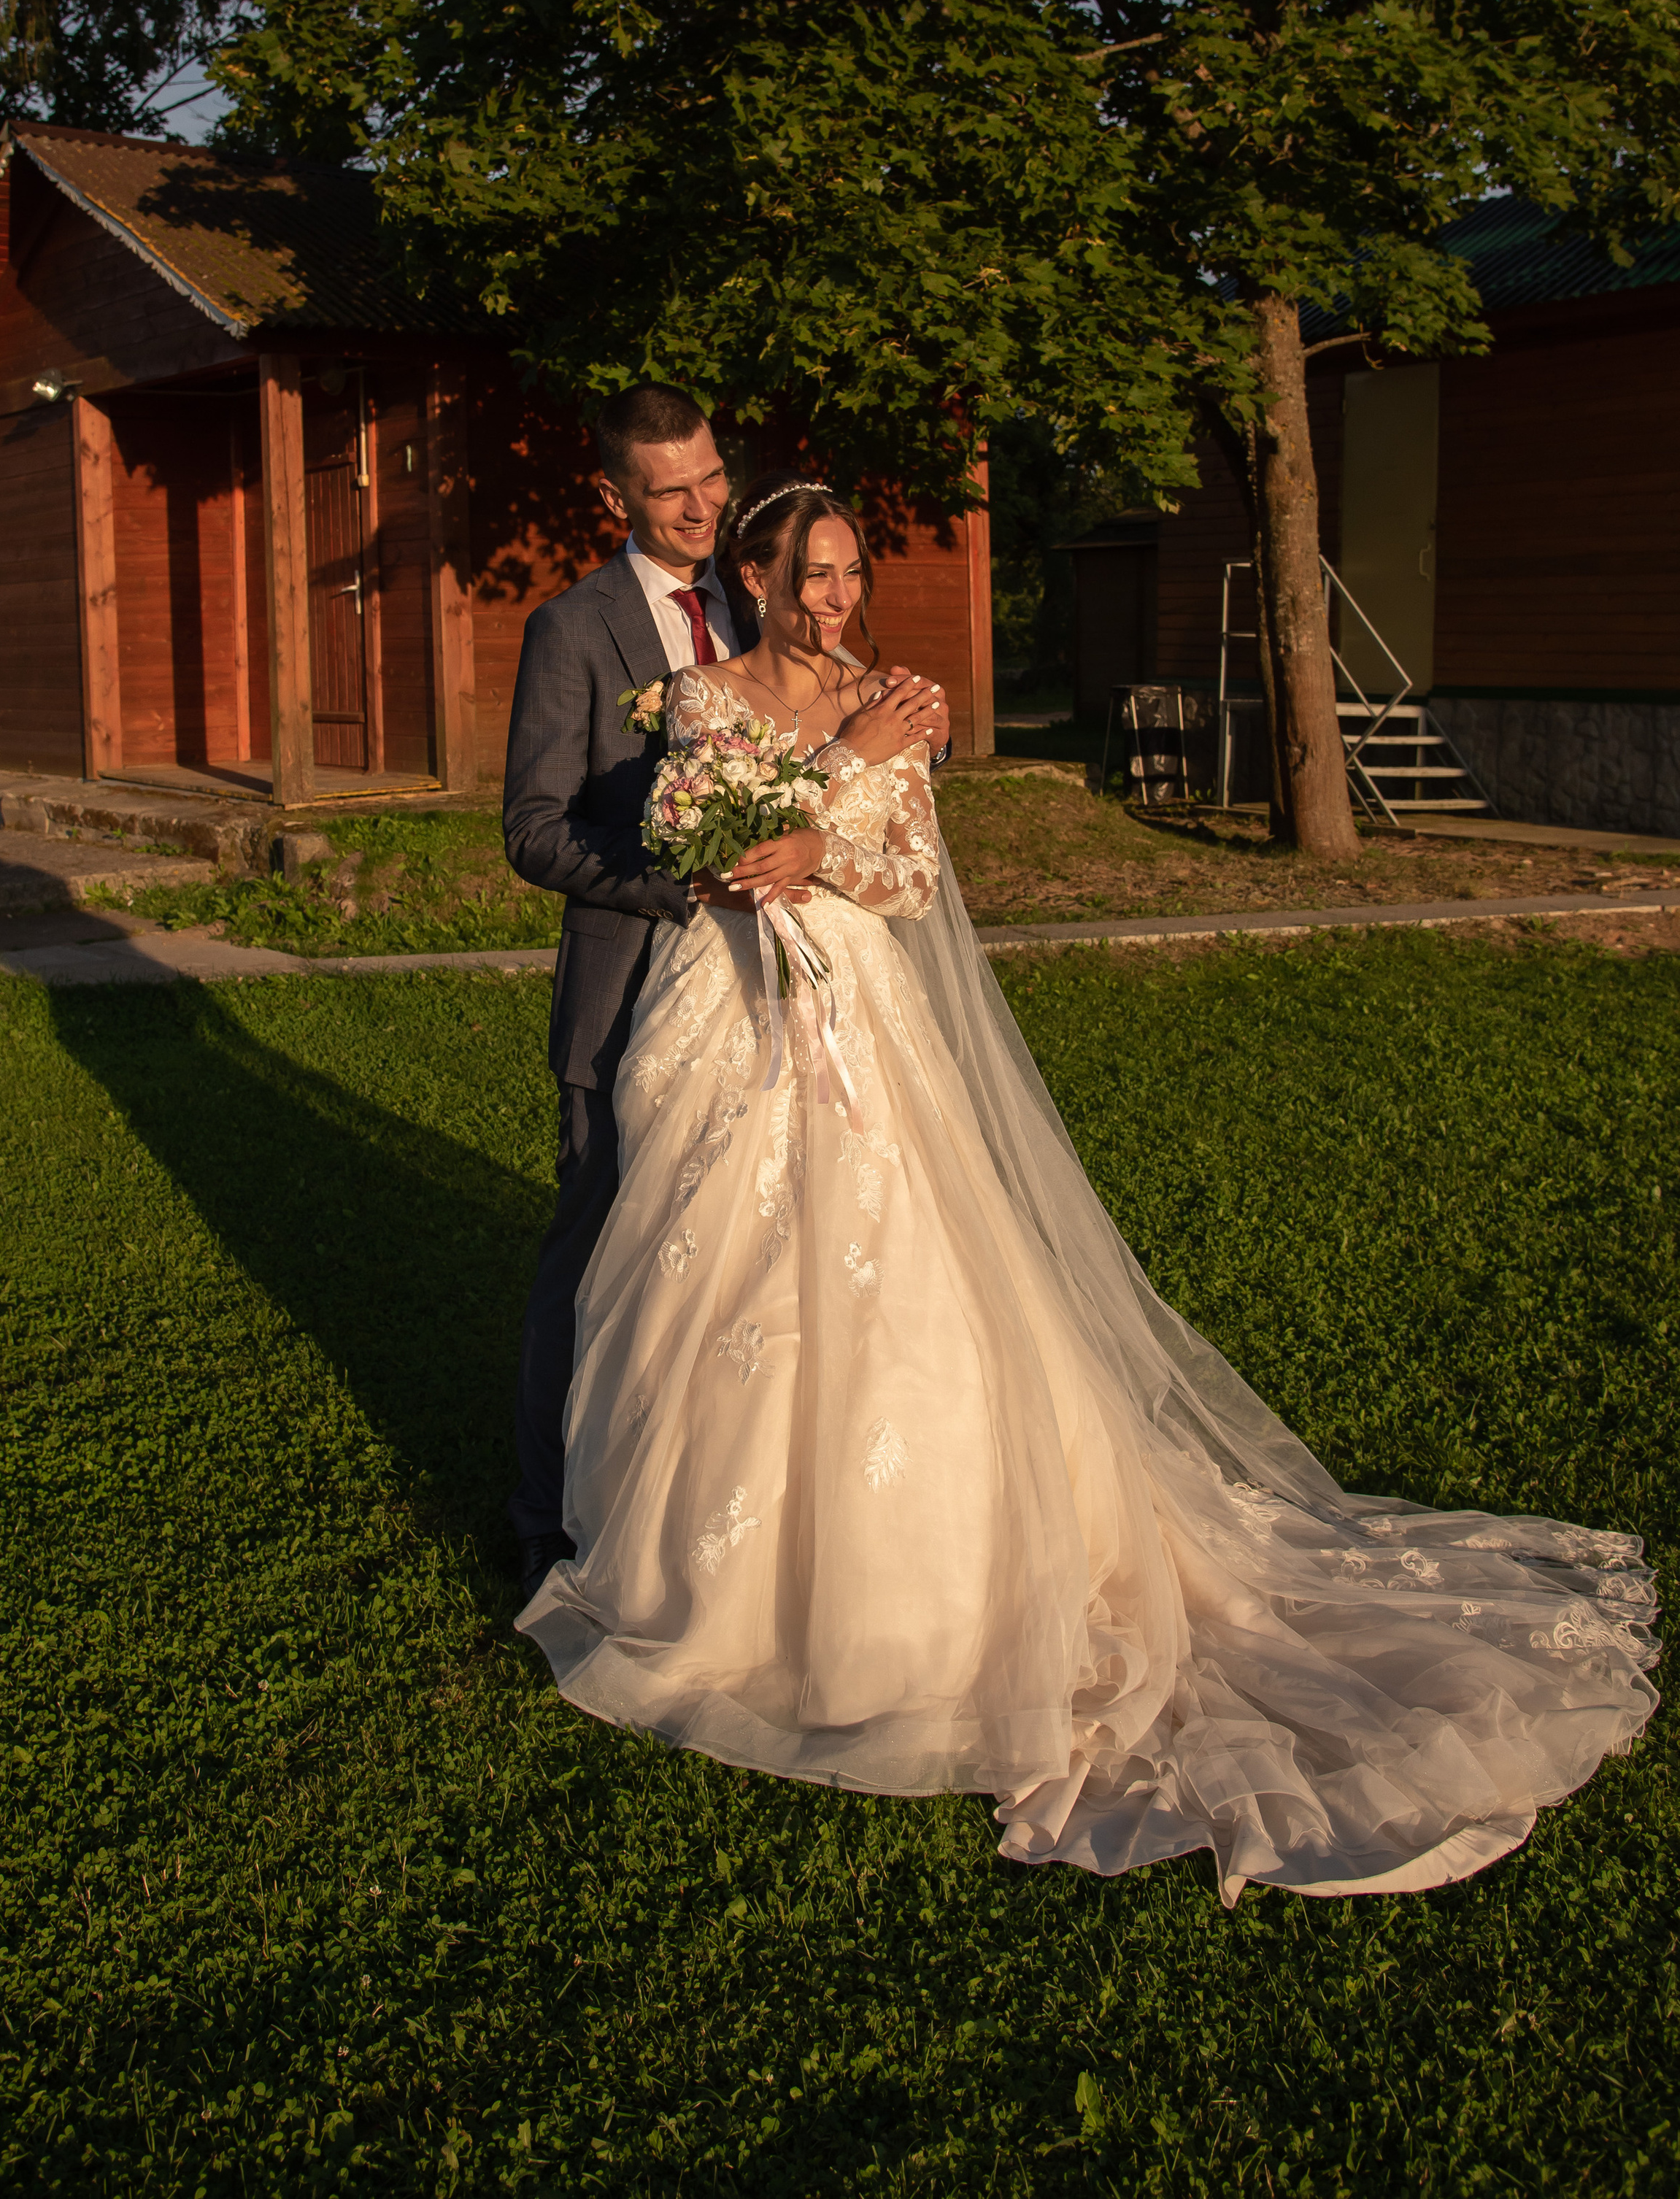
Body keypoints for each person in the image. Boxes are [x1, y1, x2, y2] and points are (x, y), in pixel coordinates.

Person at [517, 475, 1660, 1906]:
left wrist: (853, 796)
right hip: (728, 1013)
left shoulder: (899, 697)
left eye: (847, 570)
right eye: (808, 573)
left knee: (897, 1283)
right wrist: (818, 788)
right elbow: (713, 854)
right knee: (716, 1274)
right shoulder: (700, 705)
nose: (833, 597)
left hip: (855, 1014)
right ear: (750, 578)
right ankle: (709, 1592)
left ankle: (907, 1601)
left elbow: (911, 880)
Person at [501, 390, 949, 1597]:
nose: (698, 506)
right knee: (609, 1242)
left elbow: (885, 801)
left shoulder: (815, 625)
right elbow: (535, 829)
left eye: (710, 480)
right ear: (617, 499)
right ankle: (554, 1516)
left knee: (794, 1249)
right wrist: (691, 878)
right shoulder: (573, 628)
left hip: (813, 990)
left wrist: (896, 740)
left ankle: (764, 1505)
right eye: (669, 490)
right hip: (647, 977)